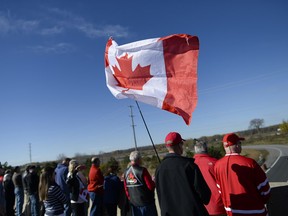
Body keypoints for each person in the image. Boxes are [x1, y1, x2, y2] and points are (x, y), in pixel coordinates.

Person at [214, 133, 271, 216]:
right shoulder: (250, 163)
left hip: (231, 212)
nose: (240, 145)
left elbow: (220, 190)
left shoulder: (217, 165)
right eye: (239, 143)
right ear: (236, 145)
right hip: (255, 211)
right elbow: (265, 190)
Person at [155, 132, 211, 216]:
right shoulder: (189, 165)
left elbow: (160, 197)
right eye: (182, 144)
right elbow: (205, 195)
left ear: (167, 147)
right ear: (180, 145)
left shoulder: (159, 169)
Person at [193, 140, 226, 216]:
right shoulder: (215, 163)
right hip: (218, 206)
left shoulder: (190, 164)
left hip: (199, 207)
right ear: (206, 149)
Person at [124, 151, 157, 216]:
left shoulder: (126, 172)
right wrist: (154, 181)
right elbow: (150, 186)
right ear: (139, 159)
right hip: (146, 203)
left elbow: (126, 188)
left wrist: (130, 198)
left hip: (134, 203)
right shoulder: (142, 170)